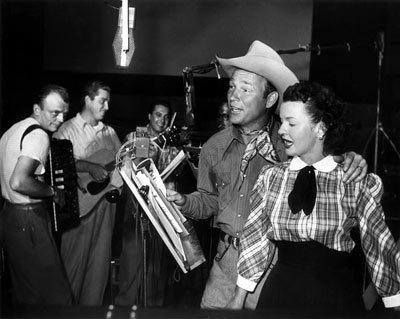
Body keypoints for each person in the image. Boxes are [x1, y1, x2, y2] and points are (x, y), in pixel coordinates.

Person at [166, 40, 368, 310]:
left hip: (273, 267)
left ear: (271, 99)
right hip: (224, 264)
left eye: (245, 89)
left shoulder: (291, 144)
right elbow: (210, 200)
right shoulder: (214, 146)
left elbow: (324, 165)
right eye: (232, 87)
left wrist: (351, 158)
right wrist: (185, 201)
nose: (233, 97)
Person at [228, 81, 400, 315]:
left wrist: (395, 304)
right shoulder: (271, 177)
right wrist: (238, 299)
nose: (281, 130)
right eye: (282, 121)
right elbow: (255, 241)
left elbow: (379, 249)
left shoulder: (355, 180)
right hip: (279, 297)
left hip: (337, 300)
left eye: (292, 123)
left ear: (321, 128)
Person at [0, 84, 72, 305]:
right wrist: (53, 191)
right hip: (29, 218)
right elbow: (19, 181)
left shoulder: (13, 130)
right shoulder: (39, 136)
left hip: (9, 215)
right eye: (54, 113)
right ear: (37, 109)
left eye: (63, 114)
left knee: (27, 295)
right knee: (58, 299)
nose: (60, 119)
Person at [52, 81, 122, 305]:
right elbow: (57, 163)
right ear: (88, 100)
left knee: (98, 274)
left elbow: (122, 163)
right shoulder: (67, 129)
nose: (107, 106)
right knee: (73, 269)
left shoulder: (109, 132)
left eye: (108, 101)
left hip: (106, 209)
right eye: (102, 101)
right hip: (79, 210)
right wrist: (88, 167)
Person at [115, 99, 180, 307]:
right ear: (149, 117)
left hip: (160, 212)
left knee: (155, 270)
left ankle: (153, 309)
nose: (163, 120)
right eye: (158, 115)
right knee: (131, 267)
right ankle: (124, 309)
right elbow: (130, 169)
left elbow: (173, 177)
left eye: (166, 116)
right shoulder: (137, 136)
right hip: (136, 211)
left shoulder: (170, 145)